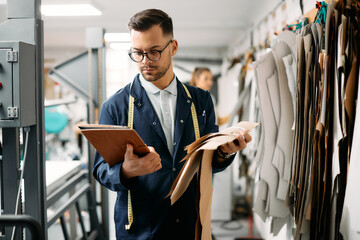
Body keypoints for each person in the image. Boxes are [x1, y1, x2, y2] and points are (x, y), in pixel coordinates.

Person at [92, 9, 252, 240]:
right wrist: (127, 171)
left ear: (173, 47)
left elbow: (209, 163)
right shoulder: (114, 107)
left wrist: (224, 153)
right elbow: (100, 171)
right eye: (138, 53)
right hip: (141, 231)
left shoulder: (201, 100)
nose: (145, 61)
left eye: (154, 52)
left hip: (190, 225)